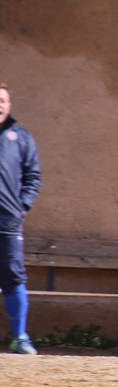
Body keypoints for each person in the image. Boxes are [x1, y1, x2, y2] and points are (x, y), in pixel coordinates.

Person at [0, 82, 41, 355]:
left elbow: (33, 176)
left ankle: (20, 338)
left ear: (9, 105)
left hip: (8, 222)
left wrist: (22, 206)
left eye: (2, 101)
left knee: (13, 278)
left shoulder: (21, 138)